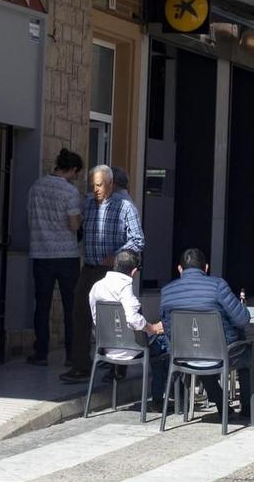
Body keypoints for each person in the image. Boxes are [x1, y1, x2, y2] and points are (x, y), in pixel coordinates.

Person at [156, 247, 254, 419]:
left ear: (179, 269)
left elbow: (167, 326)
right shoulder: (218, 286)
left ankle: (222, 404)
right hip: (222, 353)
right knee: (247, 353)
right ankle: (248, 407)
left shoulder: (166, 292)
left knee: (202, 349)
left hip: (183, 355)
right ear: (206, 268)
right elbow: (242, 319)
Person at [64, 163, 143, 381]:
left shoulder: (125, 207)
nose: (95, 190)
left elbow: (137, 240)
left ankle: (118, 366)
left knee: (115, 318)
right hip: (89, 268)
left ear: (110, 184)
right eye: (92, 186)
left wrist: (117, 256)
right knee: (80, 313)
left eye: (99, 185)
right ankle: (80, 365)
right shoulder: (89, 204)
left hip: (111, 271)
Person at [25, 149, 84, 366]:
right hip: (66, 255)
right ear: (73, 169)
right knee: (71, 306)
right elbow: (74, 224)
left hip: (40, 253)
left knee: (42, 304)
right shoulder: (70, 192)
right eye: (77, 173)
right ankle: (71, 354)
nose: (77, 178)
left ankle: (41, 353)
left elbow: (30, 217)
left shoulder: (36, 187)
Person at [86, 248, 166, 390]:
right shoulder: (125, 287)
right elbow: (133, 320)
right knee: (162, 347)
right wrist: (152, 328)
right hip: (130, 349)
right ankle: (159, 399)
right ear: (134, 272)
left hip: (105, 347)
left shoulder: (96, 287)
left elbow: (96, 320)